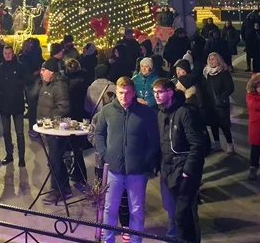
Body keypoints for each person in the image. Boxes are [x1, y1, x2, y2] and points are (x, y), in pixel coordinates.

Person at [94, 76, 159, 243]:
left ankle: (136, 240)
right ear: (116, 92)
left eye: (127, 93)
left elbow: (153, 141)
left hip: (137, 171)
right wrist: (105, 153)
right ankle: (108, 240)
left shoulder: (146, 114)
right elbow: (99, 133)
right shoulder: (107, 111)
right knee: (110, 208)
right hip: (114, 170)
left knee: (136, 210)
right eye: (121, 93)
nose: (124, 96)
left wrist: (146, 161)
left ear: (133, 93)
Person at [153, 78, 208, 242]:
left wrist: (188, 170)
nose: (156, 95)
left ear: (170, 92)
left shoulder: (185, 112)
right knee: (172, 210)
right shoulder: (161, 113)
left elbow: (197, 144)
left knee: (184, 214)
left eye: (160, 92)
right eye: (154, 92)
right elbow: (162, 142)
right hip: (168, 169)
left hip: (183, 170)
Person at [36, 59, 75, 204]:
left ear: (51, 72)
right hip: (48, 129)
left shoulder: (59, 86)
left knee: (54, 160)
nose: (41, 72)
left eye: (43, 70)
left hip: (56, 130)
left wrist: (49, 120)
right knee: (55, 160)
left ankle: (56, 190)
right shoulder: (48, 84)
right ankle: (65, 188)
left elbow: (64, 107)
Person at [0, 44, 26, 166]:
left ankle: (21, 158)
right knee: (6, 132)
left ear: (13, 53)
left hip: (17, 104)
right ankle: (9, 154)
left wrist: (18, 85)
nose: (7, 55)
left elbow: (27, 80)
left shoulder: (20, 67)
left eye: (9, 53)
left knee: (20, 133)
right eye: (5, 53)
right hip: (4, 104)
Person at [202, 52, 236, 153]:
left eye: (213, 59)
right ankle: (217, 143)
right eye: (210, 59)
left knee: (224, 125)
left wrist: (222, 97)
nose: (211, 61)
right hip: (210, 103)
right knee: (213, 124)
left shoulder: (223, 72)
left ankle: (230, 144)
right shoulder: (206, 73)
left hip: (221, 104)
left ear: (218, 60)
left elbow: (230, 87)